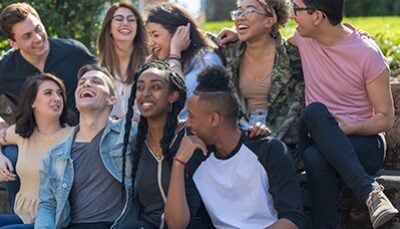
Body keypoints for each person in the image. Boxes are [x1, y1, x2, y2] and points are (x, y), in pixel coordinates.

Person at [119, 61, 269, 228]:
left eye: (155, 87)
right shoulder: (135, 143)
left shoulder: (193, 133)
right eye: (140, 87)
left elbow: (226, 130)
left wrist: (256, 130)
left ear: (173, 95)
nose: (145, 93)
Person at [288, 0, 398, 228]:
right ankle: (370, 192)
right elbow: (263, 34)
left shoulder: (367, 54)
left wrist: (349, 127)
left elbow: (386, 118)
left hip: (364, 144)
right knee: (314, 113)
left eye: (295, 8)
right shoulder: (303, 38)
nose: (292, 15)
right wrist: (230, 34)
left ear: (317, 16)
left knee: (316, 158)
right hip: (316, 134)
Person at [166, 66, 304, 229]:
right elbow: (176, 225)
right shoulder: (196, 156)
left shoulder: (269, 150)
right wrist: (178, 163)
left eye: (191, 116)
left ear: (213, 119)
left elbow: (292, 220)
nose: (187, 123)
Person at [0, 2, 96, 211]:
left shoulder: (74, 52)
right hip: (30, 141)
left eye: (38, 28)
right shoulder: (5, 69)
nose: (37, 38)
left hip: (75, 137)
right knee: (11, 156)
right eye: (26, 36)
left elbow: (101, 81)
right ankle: (21, 215)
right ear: (12, 43)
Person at [34, 64, 136, 229]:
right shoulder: (54, 155)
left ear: (112, 99)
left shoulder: (130, 134)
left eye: (96, 81)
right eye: (82, 83)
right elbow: (48, 205)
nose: (86, 84)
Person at [222, 0, 304, 150]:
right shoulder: (229, 52)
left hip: (282, 139)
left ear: (270, 20)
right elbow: (195, 38)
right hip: (240, 130)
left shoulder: (293, 56)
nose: (240, 16)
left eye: (249, 11)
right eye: (239, 11)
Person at [0, 73, 75, 228]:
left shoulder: (73, 136)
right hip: (22, 215)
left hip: (52, 221)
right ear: (32, 102)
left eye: (59, 93)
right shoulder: (21, 132)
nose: (57, 98)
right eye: (48, 93)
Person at [146, 2, 223, 119]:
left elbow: (180, 103)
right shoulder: (157, 62)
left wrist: (175, 53)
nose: (151, 43)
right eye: (150, 35)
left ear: (180, 33)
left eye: (156, 35)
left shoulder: (206, 60)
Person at [97, 1, 148, 119]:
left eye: (131, 20)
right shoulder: (99, 70)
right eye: (119, 19)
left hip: (144, 134)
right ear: (109, 27)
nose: (125, 23)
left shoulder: (150, 65)